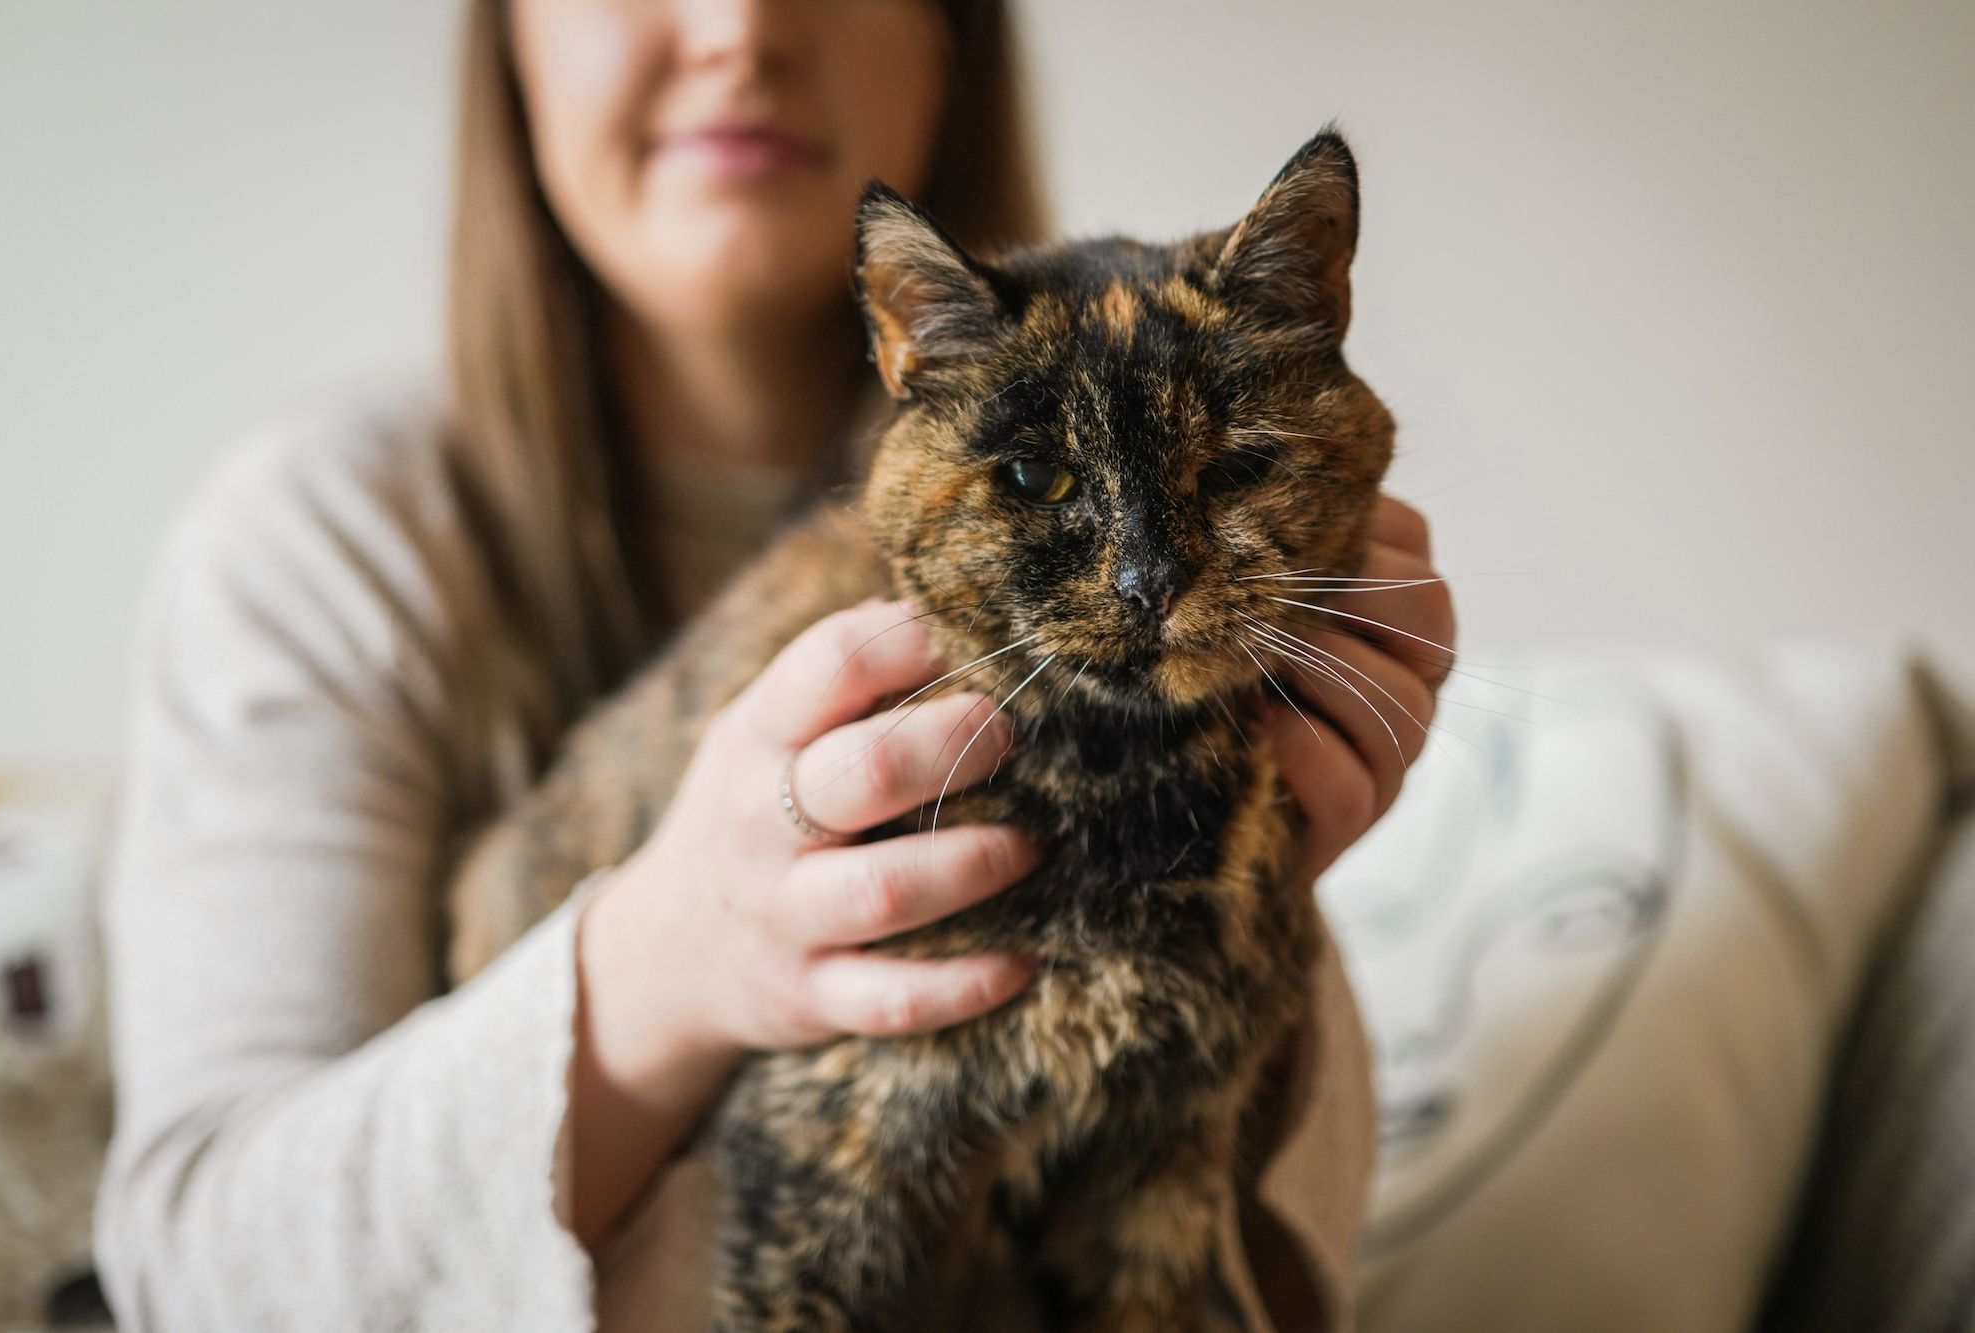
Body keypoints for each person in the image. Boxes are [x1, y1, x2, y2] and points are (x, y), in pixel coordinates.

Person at [92, 0, 1456, 1328]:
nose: (740, 28)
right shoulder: (323, 539)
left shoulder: (1205, 451)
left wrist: (1257, 909)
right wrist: (661, 961)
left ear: (949, 30)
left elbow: (1194, 1233)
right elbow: (197, 1271)